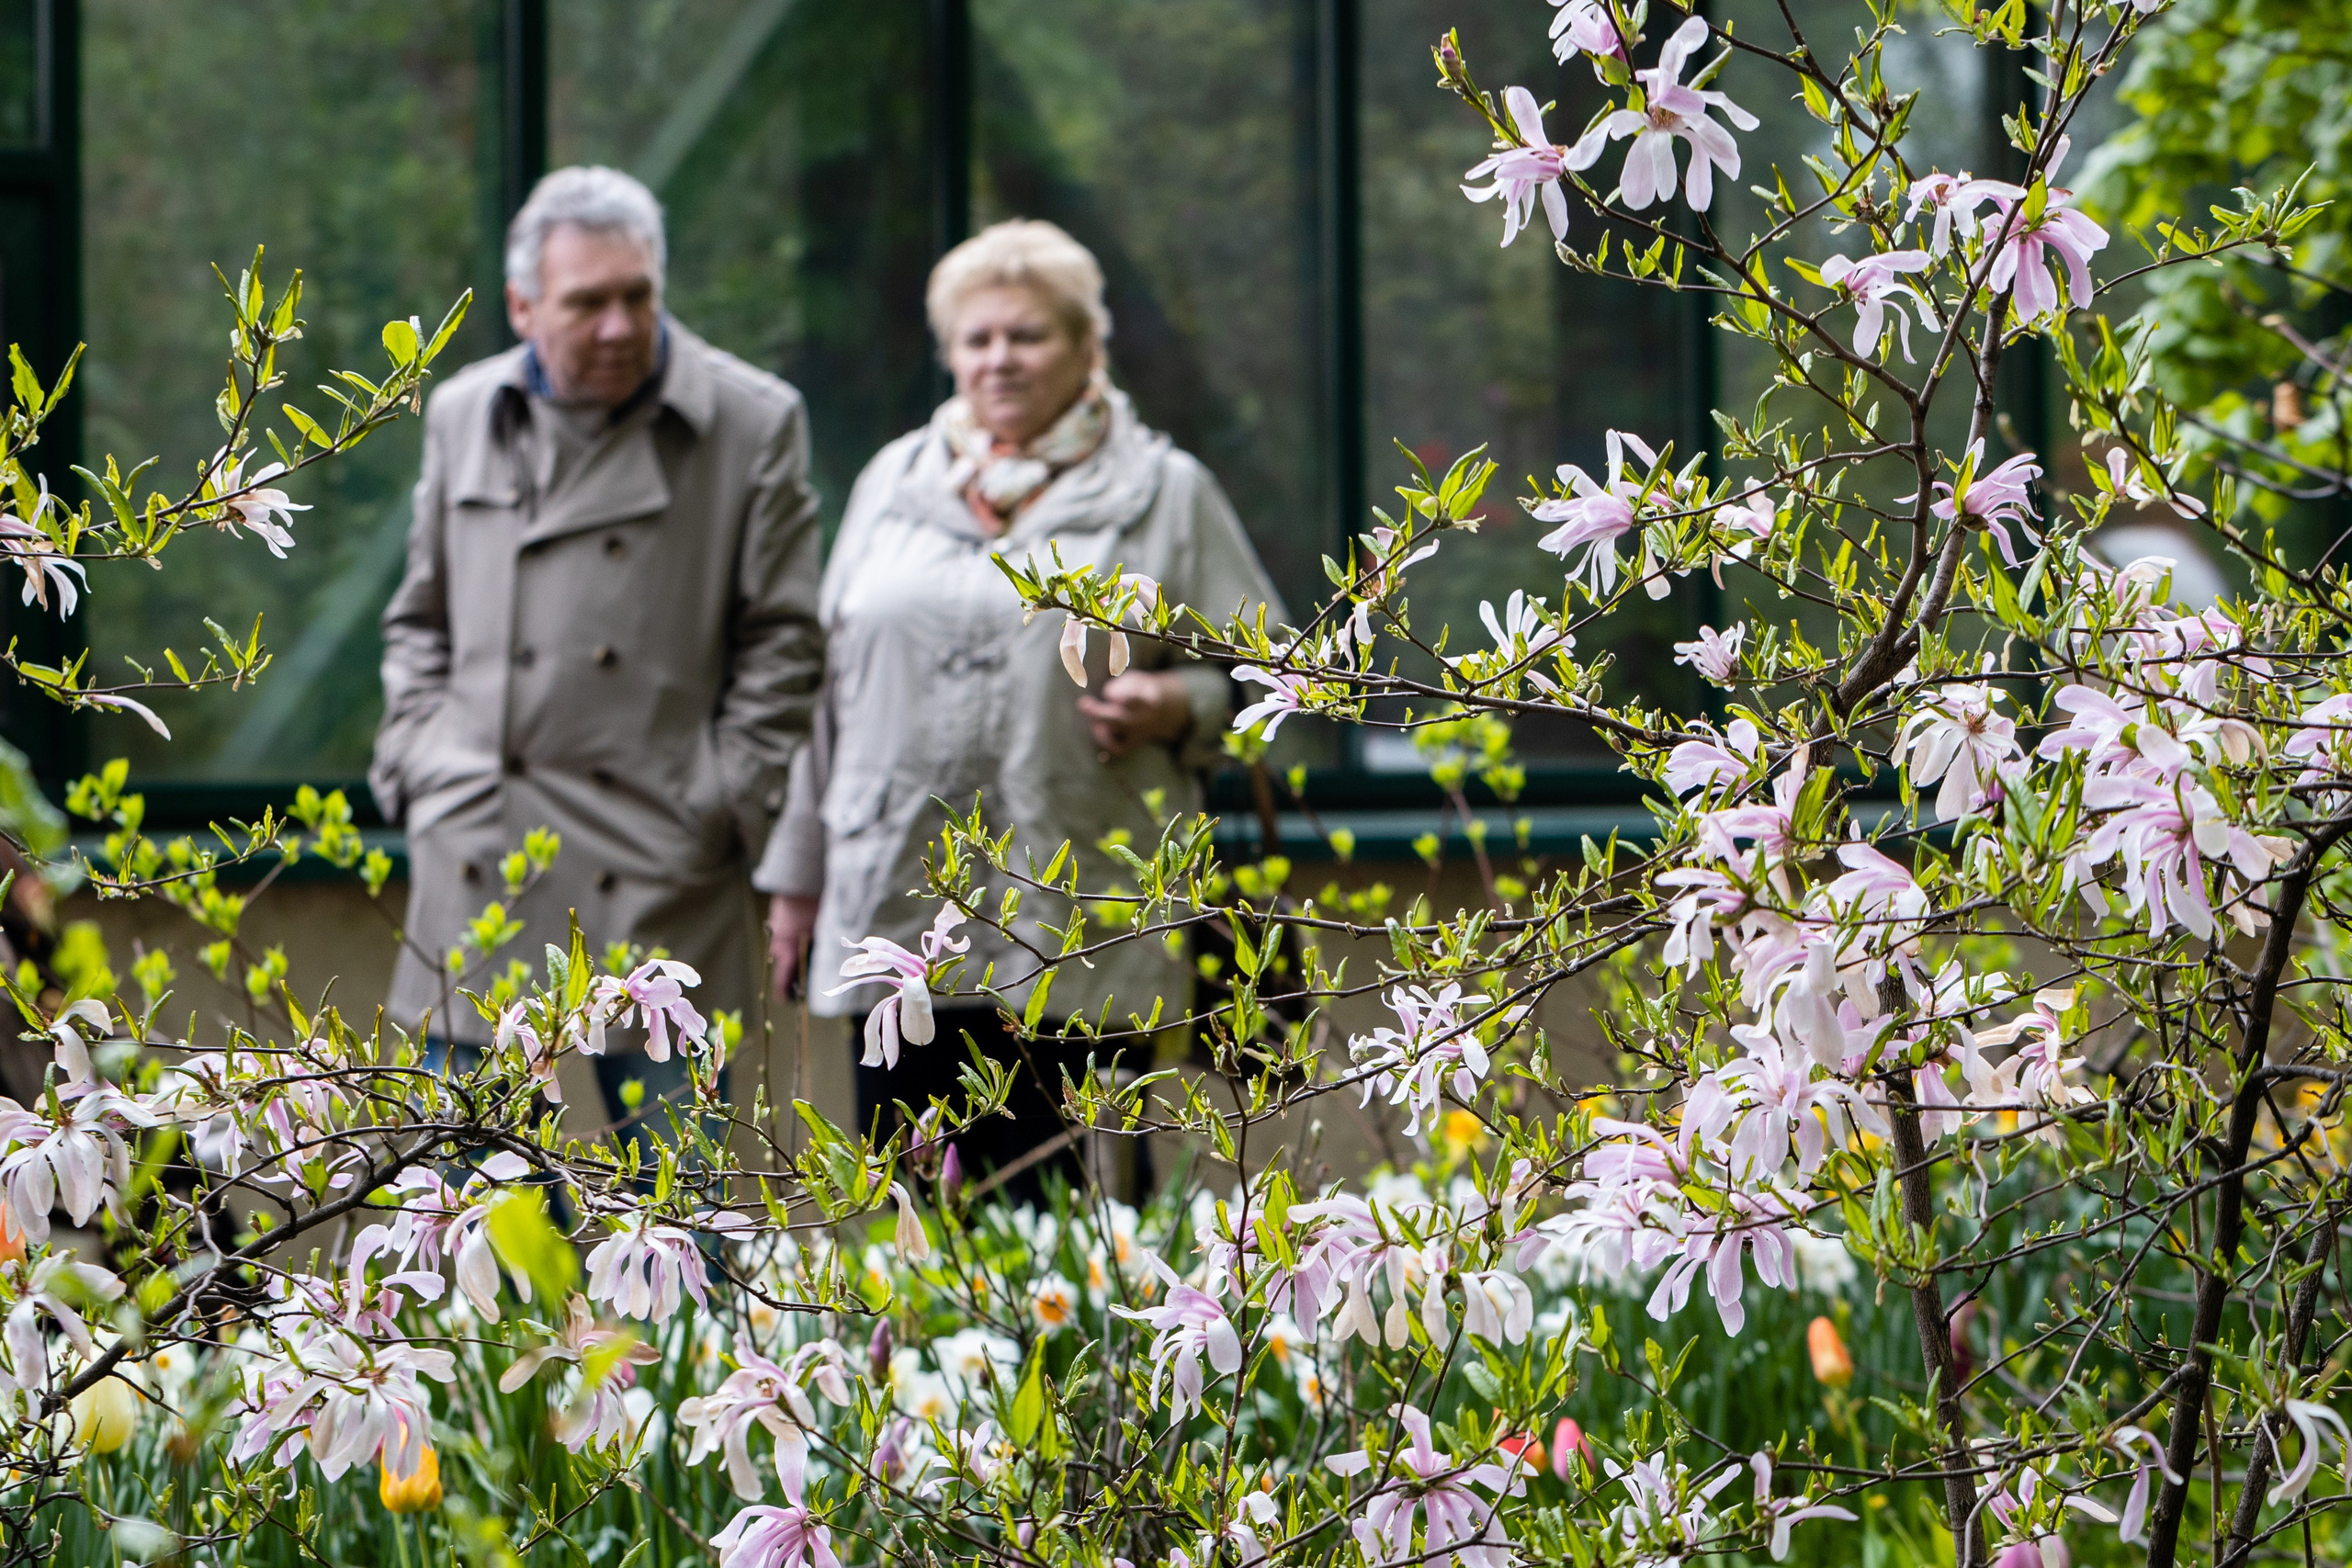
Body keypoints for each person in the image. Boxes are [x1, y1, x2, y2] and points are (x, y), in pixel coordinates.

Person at [759, 219, 1284, 1202]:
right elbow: (827, 699)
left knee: (1073, 1220)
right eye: (977, 338)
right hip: (896, 894)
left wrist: (1176, 703)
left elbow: (1267, 679)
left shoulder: (1164, 493)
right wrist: (796, 882)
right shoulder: (890, 482)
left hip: (1079, 900)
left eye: (1029, 335)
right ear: (950, 352)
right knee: (915, 1213)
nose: (999, 359)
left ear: (1089, 346)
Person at [371, 166, 824, 1133]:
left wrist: (722, 799)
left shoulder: (750, 421)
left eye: (638, 297)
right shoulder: (462, 411)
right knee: (478, 1210)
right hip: (480, 851)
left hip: (658, 858)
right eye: (588, 304)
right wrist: (417, 756)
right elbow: (421, 616)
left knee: (671, 1221)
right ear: (523, 306)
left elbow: (784, 642)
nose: (621, 326)